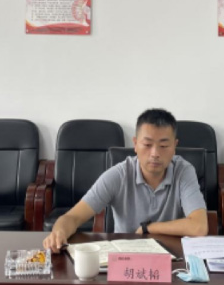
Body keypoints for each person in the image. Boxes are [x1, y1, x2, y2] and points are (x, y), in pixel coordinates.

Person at [43, 108, 208, 252]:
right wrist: (59, 233)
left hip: (172, 256)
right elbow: (73, 217)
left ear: (174, 146)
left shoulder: (184, 171)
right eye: (147, 144)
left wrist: (149, 228)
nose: (155, 153)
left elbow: (199, 227)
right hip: (126, 256)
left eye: (164, 146)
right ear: (135, 144)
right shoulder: (118, 175)